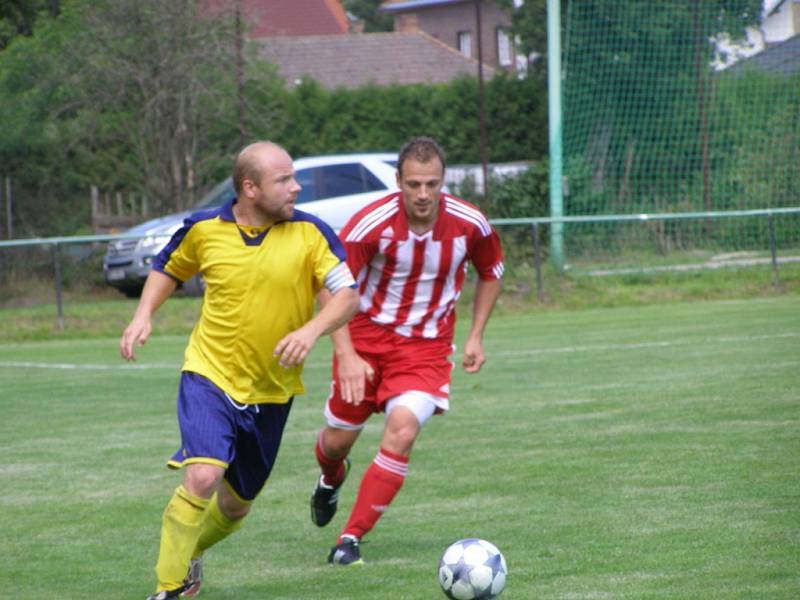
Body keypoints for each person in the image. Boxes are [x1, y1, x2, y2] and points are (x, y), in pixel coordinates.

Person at [120, 141, 359, 599]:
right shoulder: (204, 229)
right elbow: (168, 267)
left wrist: (312, 331)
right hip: (209, 374)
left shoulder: (312, 233)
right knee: (204, 474)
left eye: (293, 177)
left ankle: (190, 553)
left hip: (272, 391)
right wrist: (143, 313)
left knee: (234, 509)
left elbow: (347, 296)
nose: (297, 187)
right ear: (249, 188)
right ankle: (168, 588)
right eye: (284, 180)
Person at [309, 137, 504, 565]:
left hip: (425, 350)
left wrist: (476, 335)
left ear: (442, 181)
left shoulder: (471, 224)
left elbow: (491, 271)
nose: (422, 194)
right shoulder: (369, 224)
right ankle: (329, 479)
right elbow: (331, 286)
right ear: (398, 180)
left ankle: (349, 539)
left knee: (402, 430)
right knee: (337, 442)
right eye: (414, 183)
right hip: (364, 342)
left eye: (432, 184)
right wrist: (346, 355)